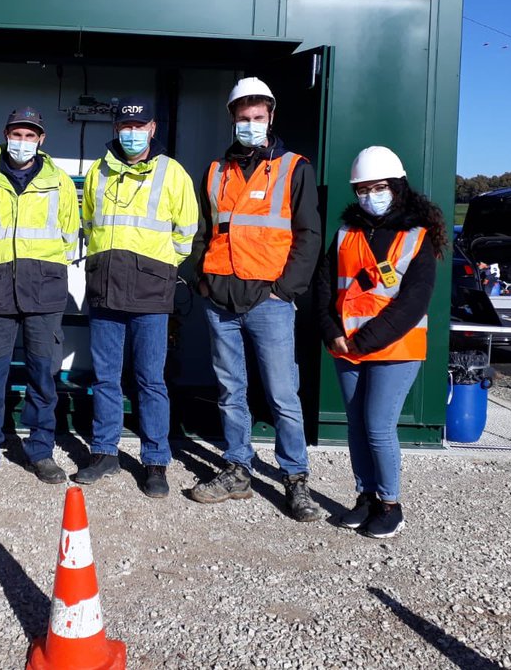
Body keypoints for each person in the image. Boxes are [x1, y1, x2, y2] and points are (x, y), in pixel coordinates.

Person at [189, 77, 323, 522]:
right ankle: (238, 468)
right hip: (220, 299)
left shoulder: (293, 167)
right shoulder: (215, 171)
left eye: (258, 118)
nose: (250, 124)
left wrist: (284, 290)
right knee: (231, 390)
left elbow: (308, 236)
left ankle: (295, 479)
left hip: (269, 301)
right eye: (243, 118)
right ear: (232, 119)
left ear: (271, 117)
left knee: (283, 394)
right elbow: (203, 232)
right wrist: (202, 281)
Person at [315, 145, 446, 539]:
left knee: (377, 425)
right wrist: (331, 330)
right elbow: (323, 288)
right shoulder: (345, 234)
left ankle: (391, 504)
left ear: (397, 187)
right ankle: (366, 497)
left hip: (393, 349)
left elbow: (412, 303)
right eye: (362, 189)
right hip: (346, 347)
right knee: (356, 426)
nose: (370, 196)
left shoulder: (417, 237)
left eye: (379, 187)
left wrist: (364, 340)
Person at [75, 98, 198, 498]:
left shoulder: (172, 173)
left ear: (152, 128)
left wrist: (162, 268)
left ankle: (155, 461)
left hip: (151, 292)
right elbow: (89, 223)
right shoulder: (99, 170)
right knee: (106, 378)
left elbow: (186, 232)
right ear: (116, 129)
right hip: (105, 289)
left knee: (150, 380)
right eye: (124, 126)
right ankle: (104, 453)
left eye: (138, 125)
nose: (131, 133)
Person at [0, 107, 80, 491]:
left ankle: (41, 451)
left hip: (44, 291)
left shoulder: (59, 182)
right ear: (6, 134)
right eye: (17, 134)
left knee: (44, 377)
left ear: (41, 140)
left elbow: (70, 235)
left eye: (30, 135)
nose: (22, 142)